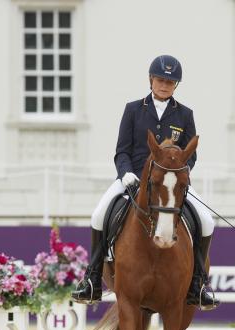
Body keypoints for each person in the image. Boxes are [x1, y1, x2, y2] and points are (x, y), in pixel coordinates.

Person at [71, 55, 218, 310]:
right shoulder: (133, 110)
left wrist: (179, 175)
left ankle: (199, 283)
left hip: (171, 183)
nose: (165, 85)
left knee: (206, 220)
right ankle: (92, 279)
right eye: (161, 80)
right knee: (98, 215)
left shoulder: (185, 114)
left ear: (176, 86)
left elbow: (190, 154)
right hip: (134, 179)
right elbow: (122, 151)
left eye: (171, 82)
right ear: (151, 80)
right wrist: (126, 173)